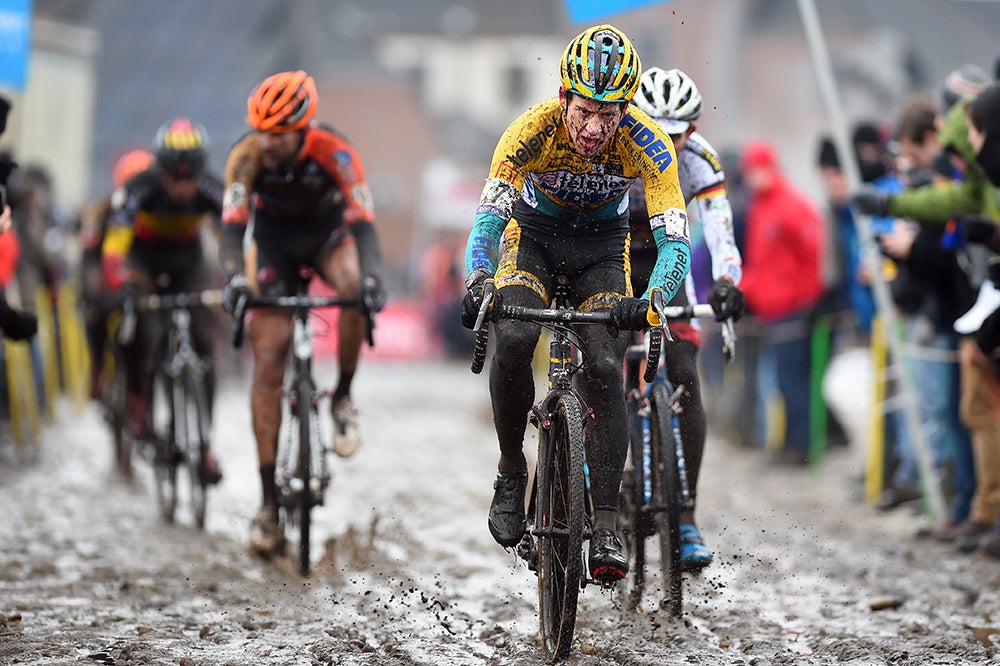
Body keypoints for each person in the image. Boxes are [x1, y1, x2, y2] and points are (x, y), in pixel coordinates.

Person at [461, 24, 691, 582]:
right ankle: (512, 471)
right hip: (532, 238)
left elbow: (675, 241)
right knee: (514, 336)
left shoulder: (649, 145)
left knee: (608, 364)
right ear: (564, 96)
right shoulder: (527, 133)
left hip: (601, 251)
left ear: (626, 111)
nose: (594, 127)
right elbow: (489, 220)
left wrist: (654, 298)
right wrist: (478, 277)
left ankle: (606, 522)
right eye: (585, 111)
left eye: (609, 116)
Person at [219, 70, 386, 558]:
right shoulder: (245, 158)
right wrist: (234, 278)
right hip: (273, 248)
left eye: (277, 134)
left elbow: (366, 225)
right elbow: (232, 232)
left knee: (354, 288)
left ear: (301, 127)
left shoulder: (335, 151)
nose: (265, 142)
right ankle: (269, 506)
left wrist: (374, 277)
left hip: (326, 238)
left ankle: (343, 399)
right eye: (259, 131)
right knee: (268, 359)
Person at [627, 66, 744, 570]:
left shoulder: (699, 160)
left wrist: (727, 282)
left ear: (691, 132)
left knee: (685, 376)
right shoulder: (615, 147)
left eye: (674, 136)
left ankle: (688, 515)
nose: (663, 142)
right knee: (604, 363)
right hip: (609, 252)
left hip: (667, 256)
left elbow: (720, 229)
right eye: (653, 129)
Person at [102, 118, 224, 482]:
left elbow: (232, 233)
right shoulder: (141, 188)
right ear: (161, 171)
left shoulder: (210, 189)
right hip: (144, 268)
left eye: (191, 179)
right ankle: (138, 404)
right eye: (175, 178)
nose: (184, 187)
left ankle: (203, 445)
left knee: (205, 343)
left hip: (188, 267)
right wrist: (120, 279)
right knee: (148, 331)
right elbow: (115, 244)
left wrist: (238, 277)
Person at [739, 141, 825, 465]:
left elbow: (811, 255)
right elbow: (762, 264)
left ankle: (799, 445)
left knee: (792, 380)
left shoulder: (791, 206)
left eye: (756, 170)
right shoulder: (760, 206)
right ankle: (788, 441)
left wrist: (806, 298)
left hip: (793, 309)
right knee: (780, 381)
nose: (751, 177)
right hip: (772, 309)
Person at [79, 148, 155, 399]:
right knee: (97, 315)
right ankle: (97, 368)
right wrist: (94, 284)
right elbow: (90, 255)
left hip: (138, 277)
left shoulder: (156, 211)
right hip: (106, 274)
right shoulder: (101, 211)